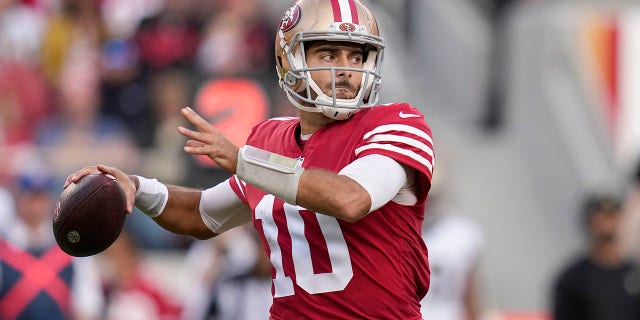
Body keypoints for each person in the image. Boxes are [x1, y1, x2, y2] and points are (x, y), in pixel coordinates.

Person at [65, 0, 435, 318]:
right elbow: (202, 215)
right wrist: (136, 186)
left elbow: (350, 198)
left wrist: (244, 162)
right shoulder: (271, 140)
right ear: (289, 60)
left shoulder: (395, 123)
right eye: (328, 54)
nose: (346, 69)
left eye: (356, 55)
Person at [0, 170, 104, 320]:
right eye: (30, 198)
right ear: (19, 199)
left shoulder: (72, 249)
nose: (36, 207)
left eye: (41, 198)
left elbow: (87, 306)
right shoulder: (3, 249)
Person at [551, 192, 640, 320]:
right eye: (602, 217)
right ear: (589, 222)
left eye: (613, 216)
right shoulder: (574, 279)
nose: (608, 224)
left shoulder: (635, 274)